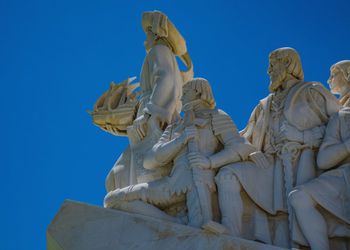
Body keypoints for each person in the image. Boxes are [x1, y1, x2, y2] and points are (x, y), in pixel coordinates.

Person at [215, 48, 339, 248]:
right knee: (227, 175)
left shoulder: (312, 91)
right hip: (268, 165)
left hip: (303, 162)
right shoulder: (264, 104)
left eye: (273, 65)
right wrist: (250, 151)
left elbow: (339, 127)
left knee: (296, 207)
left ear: (288, 65)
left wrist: (302, 136)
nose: (268, 71)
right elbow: (244, 136)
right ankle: (231, 233)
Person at [104, 78, 255, 230]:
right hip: (172, 185)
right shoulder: (175, 126)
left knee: (200, 228)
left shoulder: (215, 116)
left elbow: (240, 147)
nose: (181, 98)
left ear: (197, 92)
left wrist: (209, 162)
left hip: (200, 182)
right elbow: (150, 160)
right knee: (113, 200)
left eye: (185, 93)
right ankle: (178, 224)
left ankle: (187, 225)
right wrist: (181, 140)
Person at [105, 11, 194, 191]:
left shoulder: (158, 50)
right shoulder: (167, 56)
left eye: (147, 33)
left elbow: (165, 78)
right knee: (118, 177)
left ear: (155, 33)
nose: (145, 39)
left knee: (118, 178)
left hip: (154, 117)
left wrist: (146, 114)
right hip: (159, 114)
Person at [289, 60, 350, 250]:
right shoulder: (339, 116)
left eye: (334, 74)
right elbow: (323, 160)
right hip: (344, 175)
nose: (329, 79)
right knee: (299, 197)